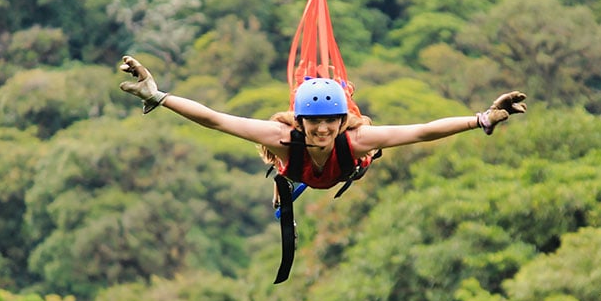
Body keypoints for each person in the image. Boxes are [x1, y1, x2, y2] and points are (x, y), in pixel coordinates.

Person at [118, 55, 527, 196]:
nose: (323, 129)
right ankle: (287, 189)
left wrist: (482, 119)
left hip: (345, 168)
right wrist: (158, 96)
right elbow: (215, 119)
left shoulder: (357, 139)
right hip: (298, 169)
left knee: (365, 151)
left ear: (340, 118)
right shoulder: (282, 139)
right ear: (301, 121)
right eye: (314, 122)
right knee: (294, 167)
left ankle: (297, 185)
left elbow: (421, 131)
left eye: (330, 121)